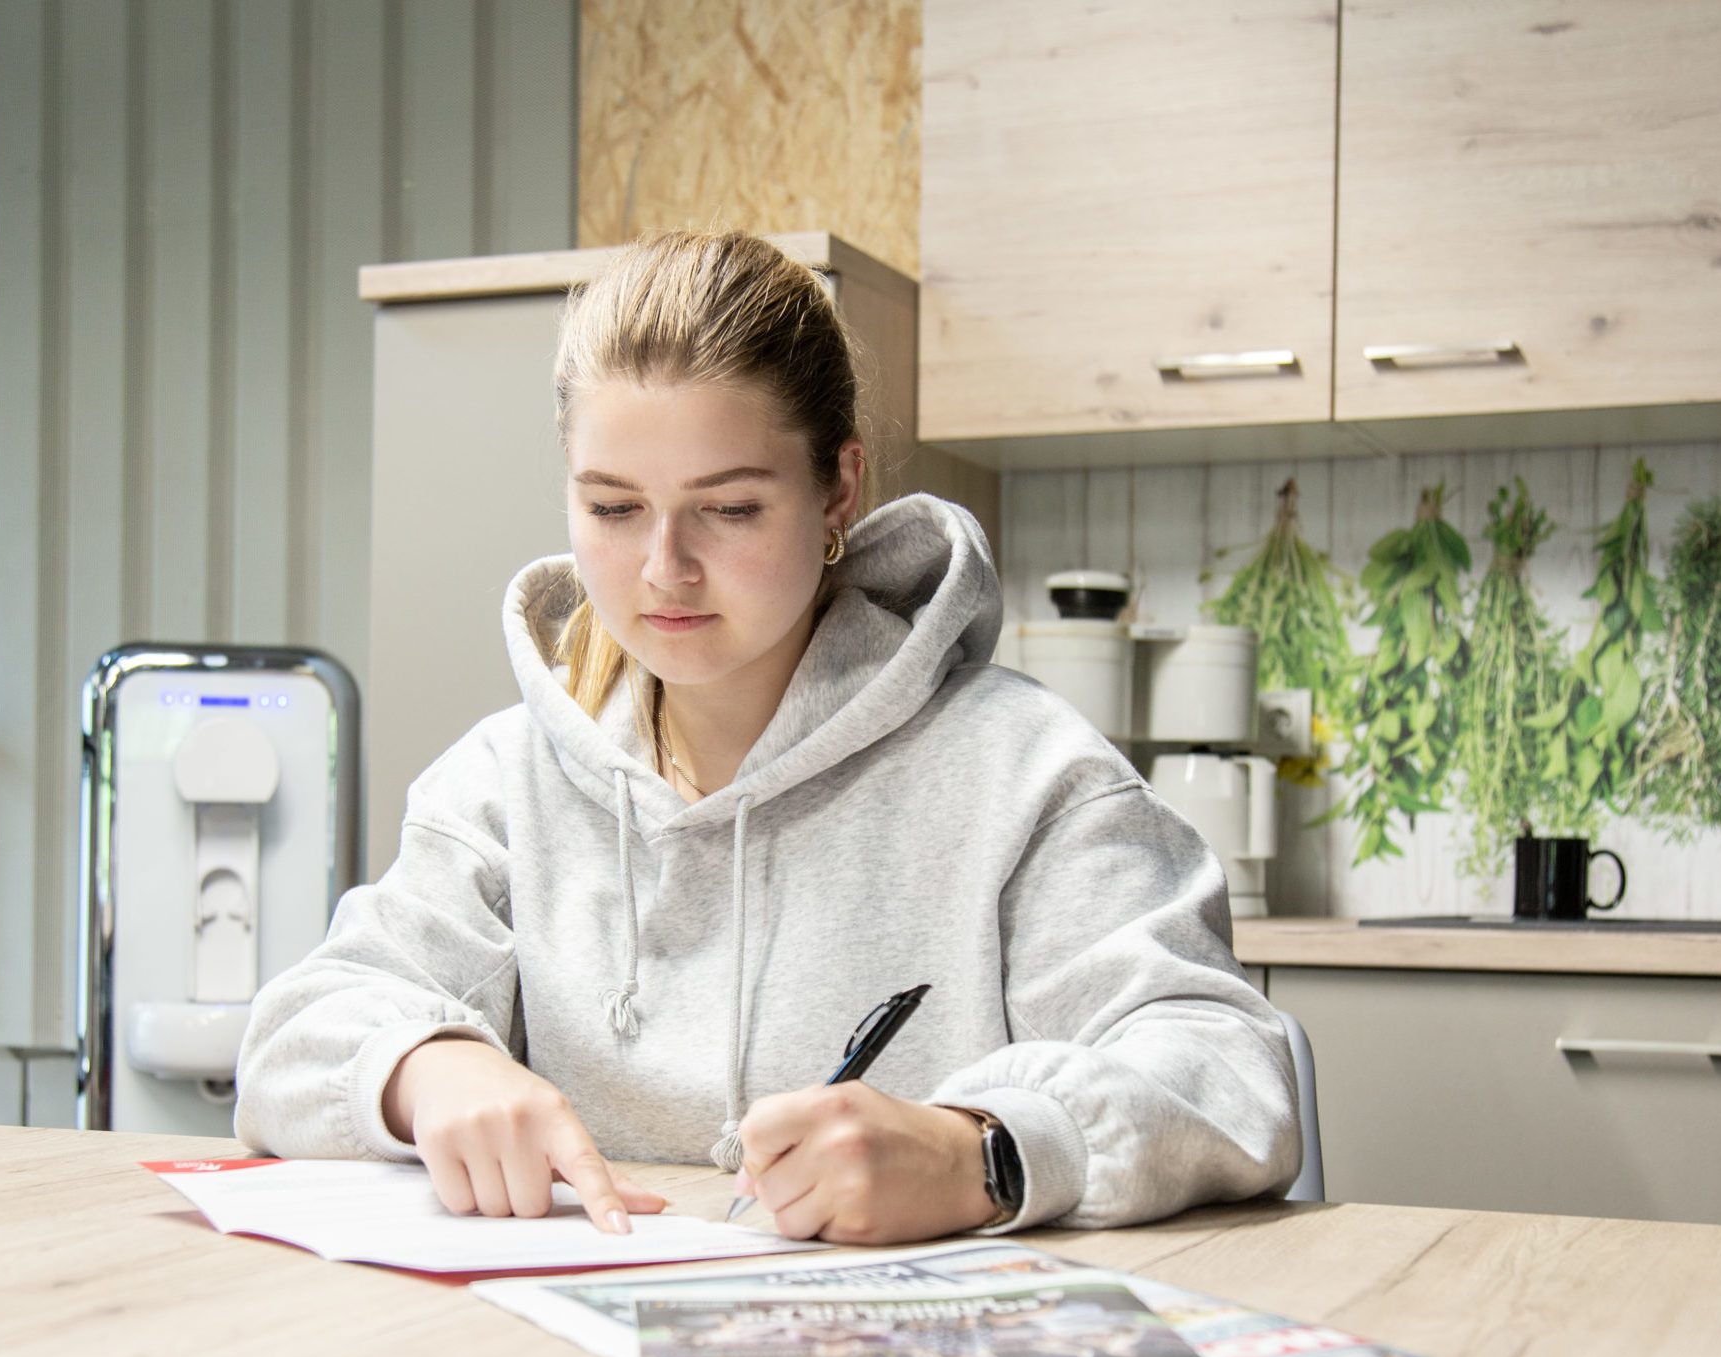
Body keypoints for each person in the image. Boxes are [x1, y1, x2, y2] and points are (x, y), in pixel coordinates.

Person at [233, 229, 1301, 1246]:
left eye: (729, 509)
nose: (663, 569)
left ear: (837, 486)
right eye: (612, 508)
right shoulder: (501, 784)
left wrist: (979, 1155)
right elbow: (292, 1039)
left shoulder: (1025, 774)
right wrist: (424, 1068)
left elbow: (1228, 1069)